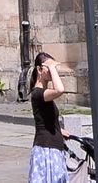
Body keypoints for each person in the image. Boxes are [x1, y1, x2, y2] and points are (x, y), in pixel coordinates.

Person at [27, 52, 69, 183]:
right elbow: (60, 90)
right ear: (39, 70)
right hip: (47, 149)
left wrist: (58, 130)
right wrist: (51, 66)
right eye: (49, 68)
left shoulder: (43, 94)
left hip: (53, 147)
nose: (53, 71)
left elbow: (44, 118)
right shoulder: (37, 93)